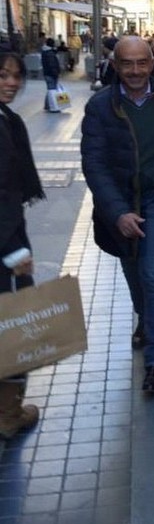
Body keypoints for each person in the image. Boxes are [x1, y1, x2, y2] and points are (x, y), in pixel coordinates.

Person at [81, 36, 154, 394]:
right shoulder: (100, 106)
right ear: (115, 65)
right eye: (126, 64)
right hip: (121, 200)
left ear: (152, 63)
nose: (135, 71)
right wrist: (117, 213)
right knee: (131, 266)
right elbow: (94, 164)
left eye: (141, 63)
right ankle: (145, 319)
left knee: (153, 272)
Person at [0, 52, 44, 438]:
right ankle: (8, 415)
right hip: (4, 243)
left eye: (15, 76)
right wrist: (14, 251)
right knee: (11, 325)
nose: (11, 82)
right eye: (2, 75)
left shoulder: (6, 118)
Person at [40, 37, 61, 112]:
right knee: (52, 90)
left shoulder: (45, 51)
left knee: (50, 89)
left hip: (47, 73)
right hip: (51, 74)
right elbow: (52, 64)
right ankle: (53, 107)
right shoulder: (50, 53)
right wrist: (56, 73)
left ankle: (47, 105)